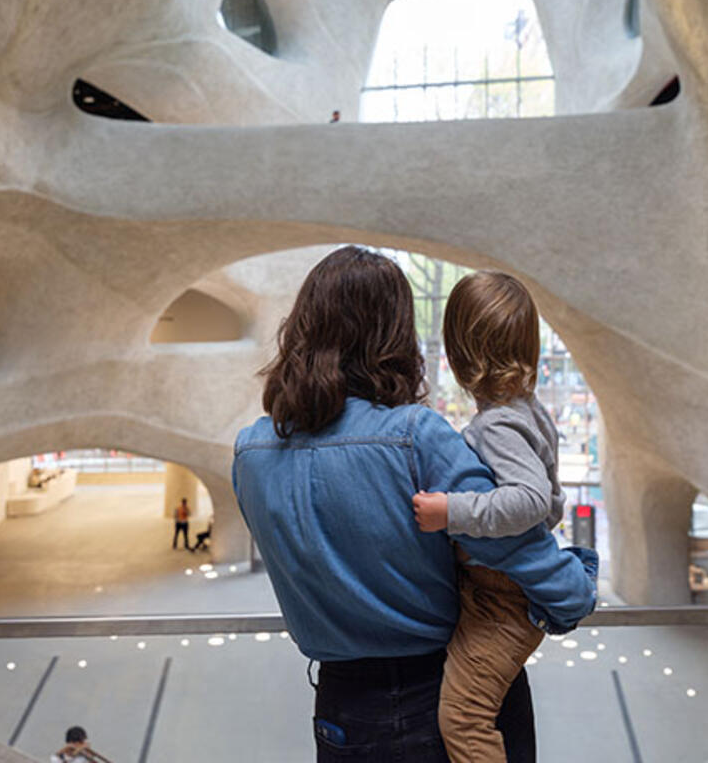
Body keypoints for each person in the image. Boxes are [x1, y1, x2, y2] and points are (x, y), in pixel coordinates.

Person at [232, 246, 597, 762]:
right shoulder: (413, 437)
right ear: (394, 336)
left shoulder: (251, 452)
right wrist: (574, 592)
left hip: (342, 706)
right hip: (443, 692)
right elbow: (516, 548)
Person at [411, 270, 575, 763]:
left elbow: (532, 500)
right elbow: (556, 501)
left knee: (463, 717)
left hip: (501, 602)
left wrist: (451, 512)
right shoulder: (527, 410)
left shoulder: (499, 423)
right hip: (503, 596)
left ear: (460, 355)